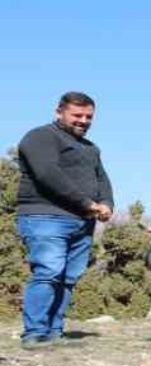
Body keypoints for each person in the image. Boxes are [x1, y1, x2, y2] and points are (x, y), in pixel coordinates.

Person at [15, 91, 114, 349]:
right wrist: (87, 203)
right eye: (77, 115)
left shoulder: (90, 148)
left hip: (83, 221)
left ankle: (54, 333)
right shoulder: (40, 136)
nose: (83, 121)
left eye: (89, 116)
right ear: (59, 112)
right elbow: (48, 174)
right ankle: (34, 334)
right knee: (48, 272)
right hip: (46, 216)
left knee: (69, 277)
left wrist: (106, 204)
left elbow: (102, 179)